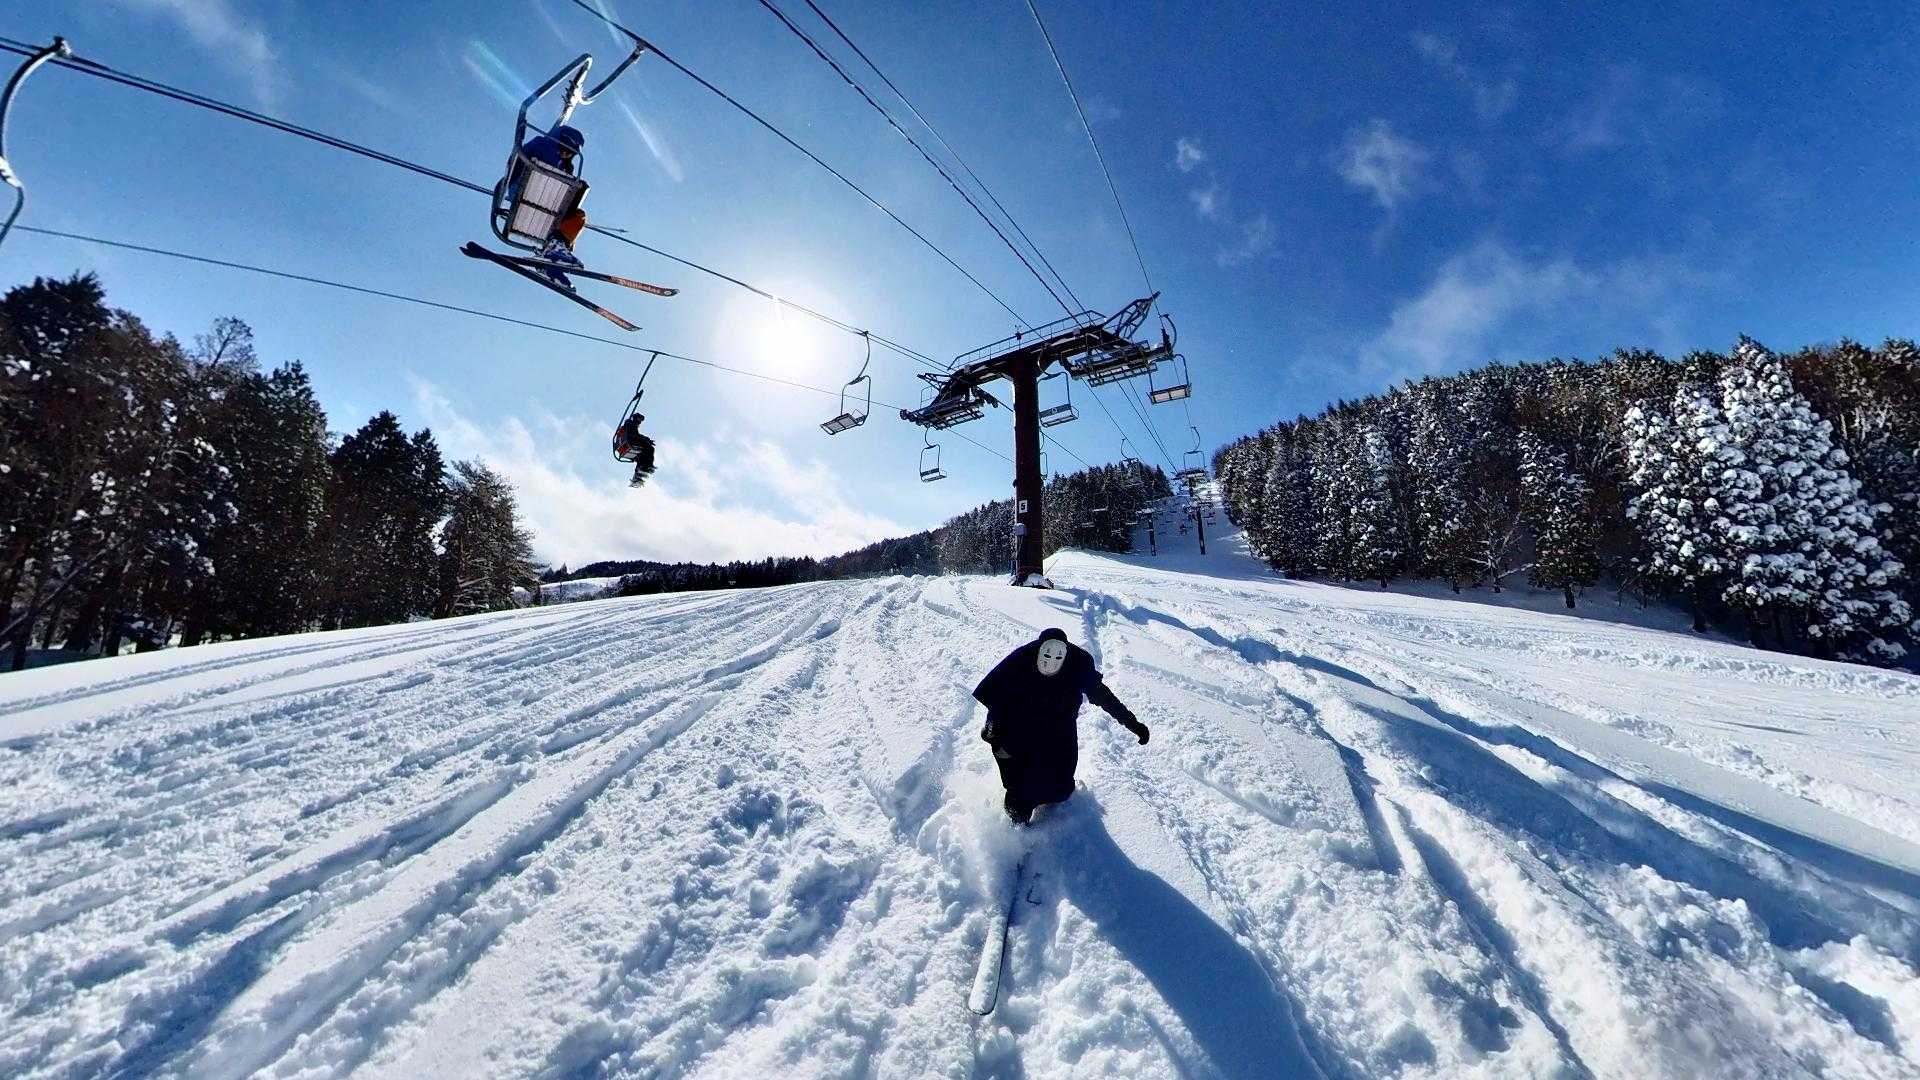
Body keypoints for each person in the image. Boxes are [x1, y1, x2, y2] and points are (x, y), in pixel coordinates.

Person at [973, 628, 1147, 825]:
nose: (1050, 664)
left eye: (1057, 660)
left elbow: (1105, 697)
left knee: (1060, 789)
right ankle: (1017, 828)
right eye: (1045, 658)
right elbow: (996, 695)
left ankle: (1040, 796)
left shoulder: (1079, 663)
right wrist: (993, 727)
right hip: (1020, 724)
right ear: (1038, 652)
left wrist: (1132, 723)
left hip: (1060, 727)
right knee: (1019, 788)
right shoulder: (1021, 659)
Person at [518, 124, 588, 287]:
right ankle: (555, 250)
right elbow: (534, 157)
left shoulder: (565, 165)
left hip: (546, 208)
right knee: (577, 194)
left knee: (578, 217)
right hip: (529, 192)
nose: (565, 154)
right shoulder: (543, 146)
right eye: (564, 149)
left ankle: (553, 262)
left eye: (570, 153)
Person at [613, 411, 656, 488]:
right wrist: (646, 440)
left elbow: (637, 435)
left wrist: (647, 439)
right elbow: (634, 435)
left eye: (640, 421)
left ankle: (638, 477)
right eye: (639, 420)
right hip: (631, 440)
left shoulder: (631, 424)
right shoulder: (630, 424)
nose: (639, 423)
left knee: (642, 455)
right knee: (650, 449)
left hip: (631, 441)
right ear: (636, 418)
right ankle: (647, 467)